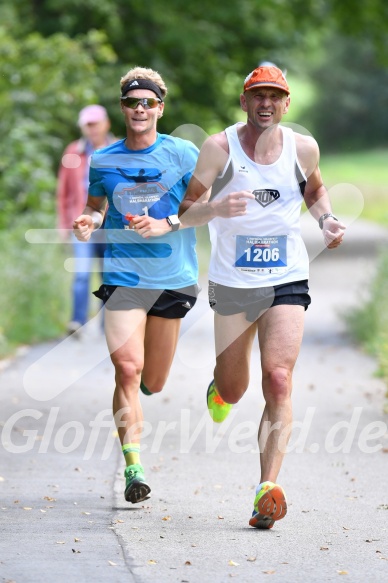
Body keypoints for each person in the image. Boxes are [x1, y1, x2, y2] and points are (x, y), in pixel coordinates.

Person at [179, 65, 346, 529]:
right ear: (244, 101)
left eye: (275, 96)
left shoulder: (303, 147)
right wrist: (215, 207)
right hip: (234, 282)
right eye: (258, 96)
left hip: (286, 278)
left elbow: (314, 189)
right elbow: (186, 213)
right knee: (235, 388)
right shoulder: (218, 149)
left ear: (287, 103)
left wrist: (326, 219)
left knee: (277, 379)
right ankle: (220, 387)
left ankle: (265, 489)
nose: (266, 104)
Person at [72, 67, 199, 503]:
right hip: (123, 277)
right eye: (131, 102)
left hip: (172, 278)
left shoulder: (183, 153)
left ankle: (143, 390)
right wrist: (88, 220)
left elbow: (206, 207)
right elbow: (94, 204)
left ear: (160, 108)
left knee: (154, 380)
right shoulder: (104, 159)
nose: (139, 109)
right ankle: (134, 467)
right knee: (127, 368)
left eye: (147, 102)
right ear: (122, 108)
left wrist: (169, 222)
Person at [57, 104, 116, 335]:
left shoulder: (120, 149)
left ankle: (106, 324)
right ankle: (77, 322)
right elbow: (63, 191)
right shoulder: (73, 151)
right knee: (81, 273)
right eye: (87, 125)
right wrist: (62, 223)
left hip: (109, 223)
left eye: (95, 123)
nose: (91, 129)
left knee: (108, 274)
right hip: (81, 222)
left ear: (106, 124)